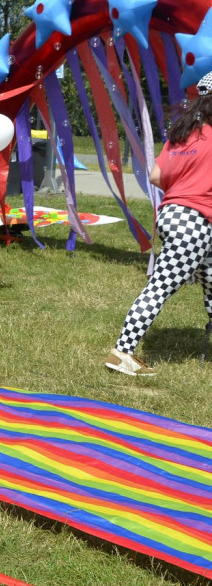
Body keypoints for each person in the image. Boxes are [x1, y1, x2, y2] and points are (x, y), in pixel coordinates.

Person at [106, 70, 212, 377]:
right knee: (159, 287)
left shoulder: (182, 134)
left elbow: (156, 177)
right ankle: (122, 352)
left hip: (172, 215)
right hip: (195, 222)